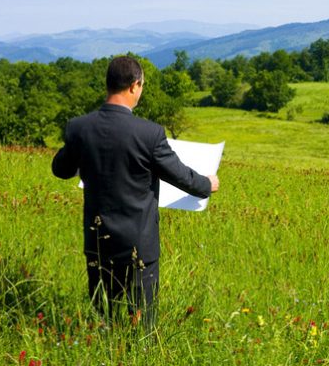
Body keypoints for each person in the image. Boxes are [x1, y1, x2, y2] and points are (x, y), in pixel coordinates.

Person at [51, 56, 219, 327]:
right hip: (138, 243)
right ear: (134, 86)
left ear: (108, 84)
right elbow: (179, 174)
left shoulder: (79, 128)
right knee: (142, 320)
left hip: (97, 239)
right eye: (141, 86)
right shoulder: (149, 133)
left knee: (103, 315)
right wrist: (206, 185)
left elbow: (61, 169)